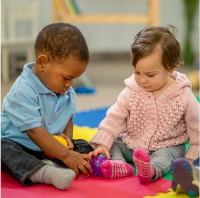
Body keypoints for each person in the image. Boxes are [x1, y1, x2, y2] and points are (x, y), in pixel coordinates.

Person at [89, 25, 199, 184]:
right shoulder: (131, 91)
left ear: (170, 68)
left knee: (168, 156)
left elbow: (196, 126)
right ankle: (119, 165)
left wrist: (191, 156)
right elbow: (115, 117)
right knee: (115, 144)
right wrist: (102, 143)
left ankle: (151, 170)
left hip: (166, 145)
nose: (142, 80)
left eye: (150, 75)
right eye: (137, 72)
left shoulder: (183, 95)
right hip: (132, 144)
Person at [1, 23, 92, 190]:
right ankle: (43, 172)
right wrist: (65, 155)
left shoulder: (66, 91)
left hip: (51, 146)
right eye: (66, 78)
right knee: (4, 151)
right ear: (42, 63)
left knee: (87, 146)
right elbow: (34, 131)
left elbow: (68, 117)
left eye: (73, 79)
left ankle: (59, 162)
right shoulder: (23, 90)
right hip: (20, 144)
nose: (69, 84)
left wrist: (67, 141)